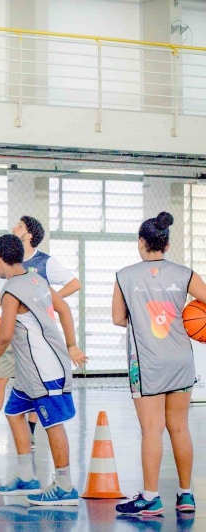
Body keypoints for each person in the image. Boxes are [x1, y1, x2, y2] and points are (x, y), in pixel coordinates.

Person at [112, 212, 202, 516]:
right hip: (180, 361)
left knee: (152, 430)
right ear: (166, 243)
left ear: (141, 242)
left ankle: (150, 497)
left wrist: (143, 317)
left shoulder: (124, 275)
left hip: (147, 363)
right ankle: (186, 495)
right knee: (180, 428)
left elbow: (116, 318)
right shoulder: (185, 273)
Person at [0, 234, 86, 506]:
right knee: (14, 412)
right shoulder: (36, 278)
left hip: (44, 369)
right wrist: (72, 344)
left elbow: (5, 334)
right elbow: (64, 309)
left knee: (53, 425)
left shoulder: (11, 290)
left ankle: (65, 486)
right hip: (30, 372)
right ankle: (26, 477)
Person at [0, 215, 82, 449]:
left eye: (19, 226)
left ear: (29, 235)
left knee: (38, 394)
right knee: (1, 382)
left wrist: (45, 303)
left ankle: (31, 437)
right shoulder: (11, 269)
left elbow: (74, 285)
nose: (14, 227)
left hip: (34, 339)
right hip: (15, 332)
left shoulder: (44, 264)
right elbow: (0, 296)